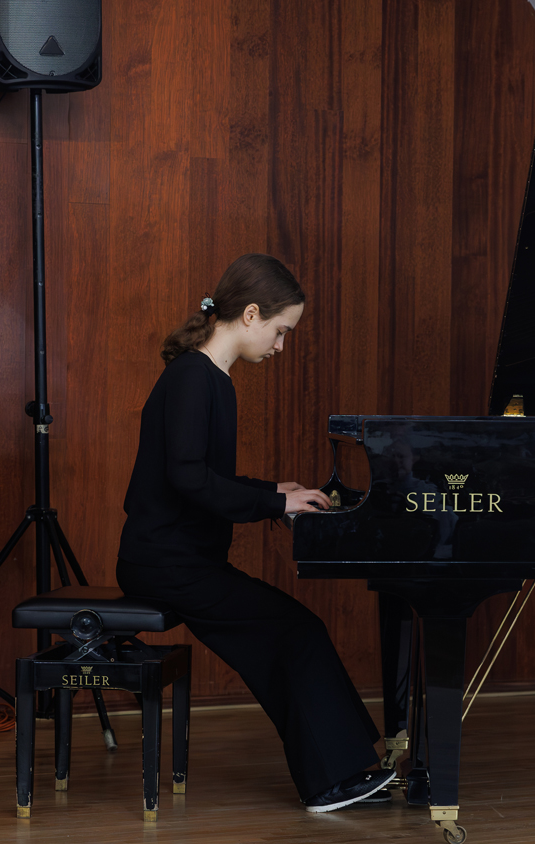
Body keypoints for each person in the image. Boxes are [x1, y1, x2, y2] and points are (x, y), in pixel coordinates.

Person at [115, 253, 394, 811]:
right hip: (167, 564)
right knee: (296, 631)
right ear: (250, 315)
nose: (280, 345)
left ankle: (346, 765)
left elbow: (202, 477)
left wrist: (274, 491)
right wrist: (273, 502)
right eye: (281, 330)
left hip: (185, 561)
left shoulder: (211, 378)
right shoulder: (193, 377)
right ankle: (328, 782)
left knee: (292, 632)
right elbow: (187, 478)